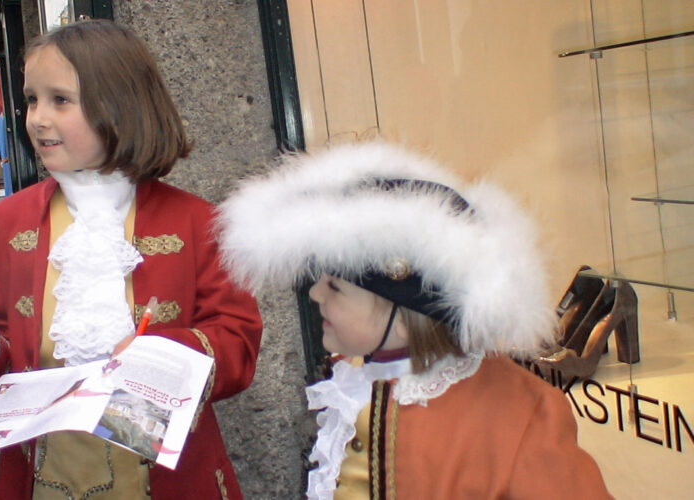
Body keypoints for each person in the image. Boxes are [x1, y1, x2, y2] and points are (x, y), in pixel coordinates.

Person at [0, 19, 262, 499]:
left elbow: (238, 342)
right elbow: (3, 350)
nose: (37, 118)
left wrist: (161, 358)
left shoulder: (200, 223)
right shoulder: (0, 228)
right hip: (44, 475)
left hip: (170, 480)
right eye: (31, 100)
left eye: (60, 100)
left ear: (121, 105)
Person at [216, 142, 612, 499]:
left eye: (335, 287)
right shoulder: (354, 382)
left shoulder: (520, 417)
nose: (316, 293)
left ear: (404, 318)